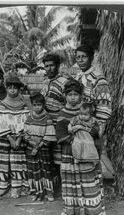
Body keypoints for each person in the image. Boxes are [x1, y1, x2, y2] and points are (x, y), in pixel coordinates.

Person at [56, 79, 105, 215]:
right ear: (65, 96)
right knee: (73, 183)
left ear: (81, 96)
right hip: (70, 153)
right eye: (69, 94)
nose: (72, 97)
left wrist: (87, 135)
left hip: (87, 154)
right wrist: (74, 141)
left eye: (76, 94)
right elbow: (61, 134)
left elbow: (96, 131)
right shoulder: (62, 113)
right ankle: (74, 213)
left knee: (87, 181)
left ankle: (91, 214)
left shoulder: (86, 112)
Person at [0, 73, 30, 198]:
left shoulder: (23, 105)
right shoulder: (2, 105)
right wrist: (10, 138)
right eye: (10, 88)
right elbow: (1, 123)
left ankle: (19, 188)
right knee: (4, 163)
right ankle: (2, 187)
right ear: (7, 89)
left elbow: (25, 122)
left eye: (15, 88)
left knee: (18, 163)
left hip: (19, 139)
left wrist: (19, 139)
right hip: (6, 138)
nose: (12, 90)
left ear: (19, 89)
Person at [41, 53, 69, 192]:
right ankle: (53, 185)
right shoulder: (45, 82)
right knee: (49, 154)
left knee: (61, 155)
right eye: (46, 66)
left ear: (57, 65)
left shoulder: (64, 81)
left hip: (60, 122)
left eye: (52, 65)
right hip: (47, 123)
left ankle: (64, 186)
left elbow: (69, 102)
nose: (49, 68)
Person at [24, 92, 56, 201]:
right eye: (35, 105)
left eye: (39, 105)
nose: (37, 107)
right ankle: (36, 192)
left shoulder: (47, 118)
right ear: (32, 105)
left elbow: (49, 135)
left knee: (45, 170)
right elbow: (26, 133)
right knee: (34, 170)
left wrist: (38, 147)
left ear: (43, 105)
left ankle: (48, 192)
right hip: (31, 148)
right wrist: (32, 144)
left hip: (43, 149)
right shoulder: (29, 118)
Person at [75, 45, 112, 140]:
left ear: (91, 58)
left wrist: (97, 131)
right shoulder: (78, 78)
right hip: (77, 126)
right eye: (78, 57)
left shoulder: (99, 80)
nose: (80, 60)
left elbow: (104, 109)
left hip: (91, 129)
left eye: (84, 57)